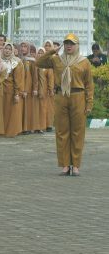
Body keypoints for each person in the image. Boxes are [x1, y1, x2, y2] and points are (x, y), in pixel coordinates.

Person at [35, 33, 94, 176]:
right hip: (61, 96)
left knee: (77, 132)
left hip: (77, 96)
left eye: (72, 44)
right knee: (62, 131)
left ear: (77, 46)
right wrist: (52, 51)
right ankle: (65, 165)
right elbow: (39, 62)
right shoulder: (57, 60)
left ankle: (76, 165)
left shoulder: (84, 62)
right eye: (66, 43)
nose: (68, 46)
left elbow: (89, 85)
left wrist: (89, 103)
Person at [1, 43, 24, 138]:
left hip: (11, 90)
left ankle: (11, 131)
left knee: (11, 112)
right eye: (6, 48)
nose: (7, 50)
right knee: (2, 112)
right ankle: (1, 131)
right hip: (1, 90)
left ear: (13, 51)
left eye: (9, 49)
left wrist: (17, 94)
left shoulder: (16, 62)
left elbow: (18, 79)